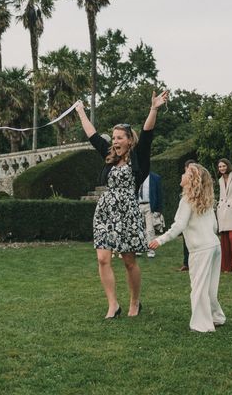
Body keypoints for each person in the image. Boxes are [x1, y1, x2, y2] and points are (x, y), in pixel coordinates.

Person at [75, 90, 169, 318]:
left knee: (129, 261)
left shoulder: (140, 158)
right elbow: (93, 135)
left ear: (129, 140)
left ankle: (135, 302)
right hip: (106, 211)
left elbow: (147, 133)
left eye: (119, 137)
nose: (115, 141)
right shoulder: (110, 155)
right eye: (113, 137)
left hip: (128, 212)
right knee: (102, 258)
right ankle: (113, 304)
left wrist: (154, 109)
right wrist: (80, 111)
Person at [149, 163, 226, 332]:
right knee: (210, 287)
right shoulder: (205, 199)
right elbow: (214, 226)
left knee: (198, 287)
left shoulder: (187, 200)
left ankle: (201, 325)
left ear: (191, 179)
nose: (182, 175)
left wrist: (160, 240)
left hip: (201, 250)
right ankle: (217, 317)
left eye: (185, 173)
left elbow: (179, 226)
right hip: (214, 246)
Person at [177, 159, 196, 272]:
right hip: (186, 209)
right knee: (186, 238)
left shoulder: (199, 179)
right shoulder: (184, 178)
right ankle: (186, 262)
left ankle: (194, 261)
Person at [138, 171, 163, 258]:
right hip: (138, 205)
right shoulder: (136, 176)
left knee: (150, 229)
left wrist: (158, 210)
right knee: (139, 228)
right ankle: (139, 248)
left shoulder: (155, 177)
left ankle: (151, 249)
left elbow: (159, 194)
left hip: (149, 205)